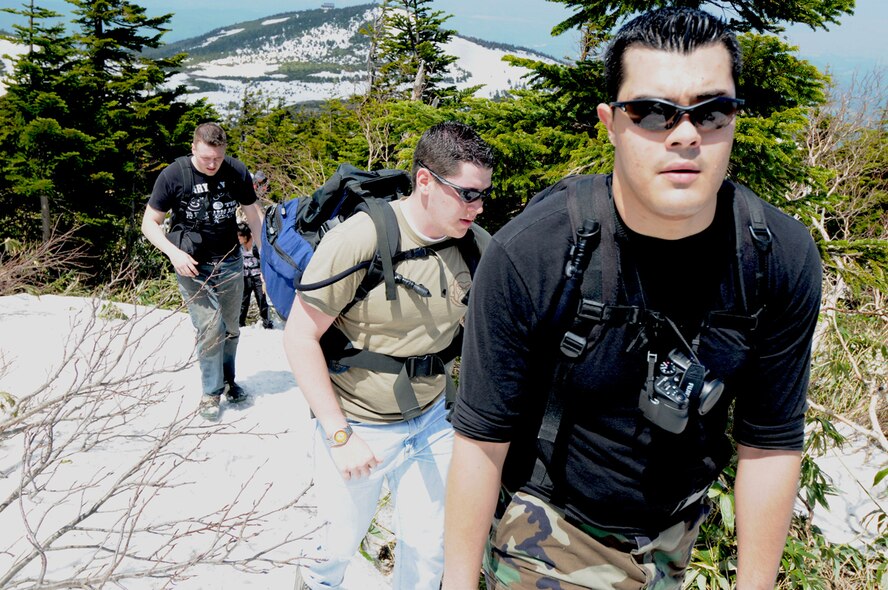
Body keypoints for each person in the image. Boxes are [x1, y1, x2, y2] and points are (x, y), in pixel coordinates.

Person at [443, 7, 822, 590]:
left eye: (712, 111)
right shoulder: (535, 254)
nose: (685, 133)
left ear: (734, 121)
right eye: (650, 111)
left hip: (675, 533)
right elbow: (481, 439)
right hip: (549, 526)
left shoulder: (775, 257)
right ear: (610, 122)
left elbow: (769, 441)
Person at [284, 121, 494, 590]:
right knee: (334, 549)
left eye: (484, 194)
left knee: (429, 549)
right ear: (425, 181)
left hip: (433, 418)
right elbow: (300, 337)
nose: (477, 207)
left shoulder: (476, 245)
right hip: (359, 422)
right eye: (466, 194)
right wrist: (340, 436)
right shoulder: (361, 238)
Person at [141, 122, 264, 421]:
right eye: (206, 157)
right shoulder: (174, 175)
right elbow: (149, 223)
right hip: (191, 264)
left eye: (217, 159)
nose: (212, 164)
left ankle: (228, 381)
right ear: (193, 147)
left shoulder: (235, 171)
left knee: (231, 328)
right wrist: (173, 253)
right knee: (210, 329)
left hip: (230, 260)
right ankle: (211, 392)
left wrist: (262, 258)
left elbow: (253, 213)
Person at [237, 222, 273, 329]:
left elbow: (264, 260)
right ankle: (240, 324)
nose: (238, 238)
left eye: (239, 236)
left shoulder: (256, 243)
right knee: (243, 301)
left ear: (245, 235)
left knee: (262, 300)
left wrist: (264, 278)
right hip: (245, 276)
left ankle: (267, 323)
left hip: (258, 275)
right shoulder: (238, 246)